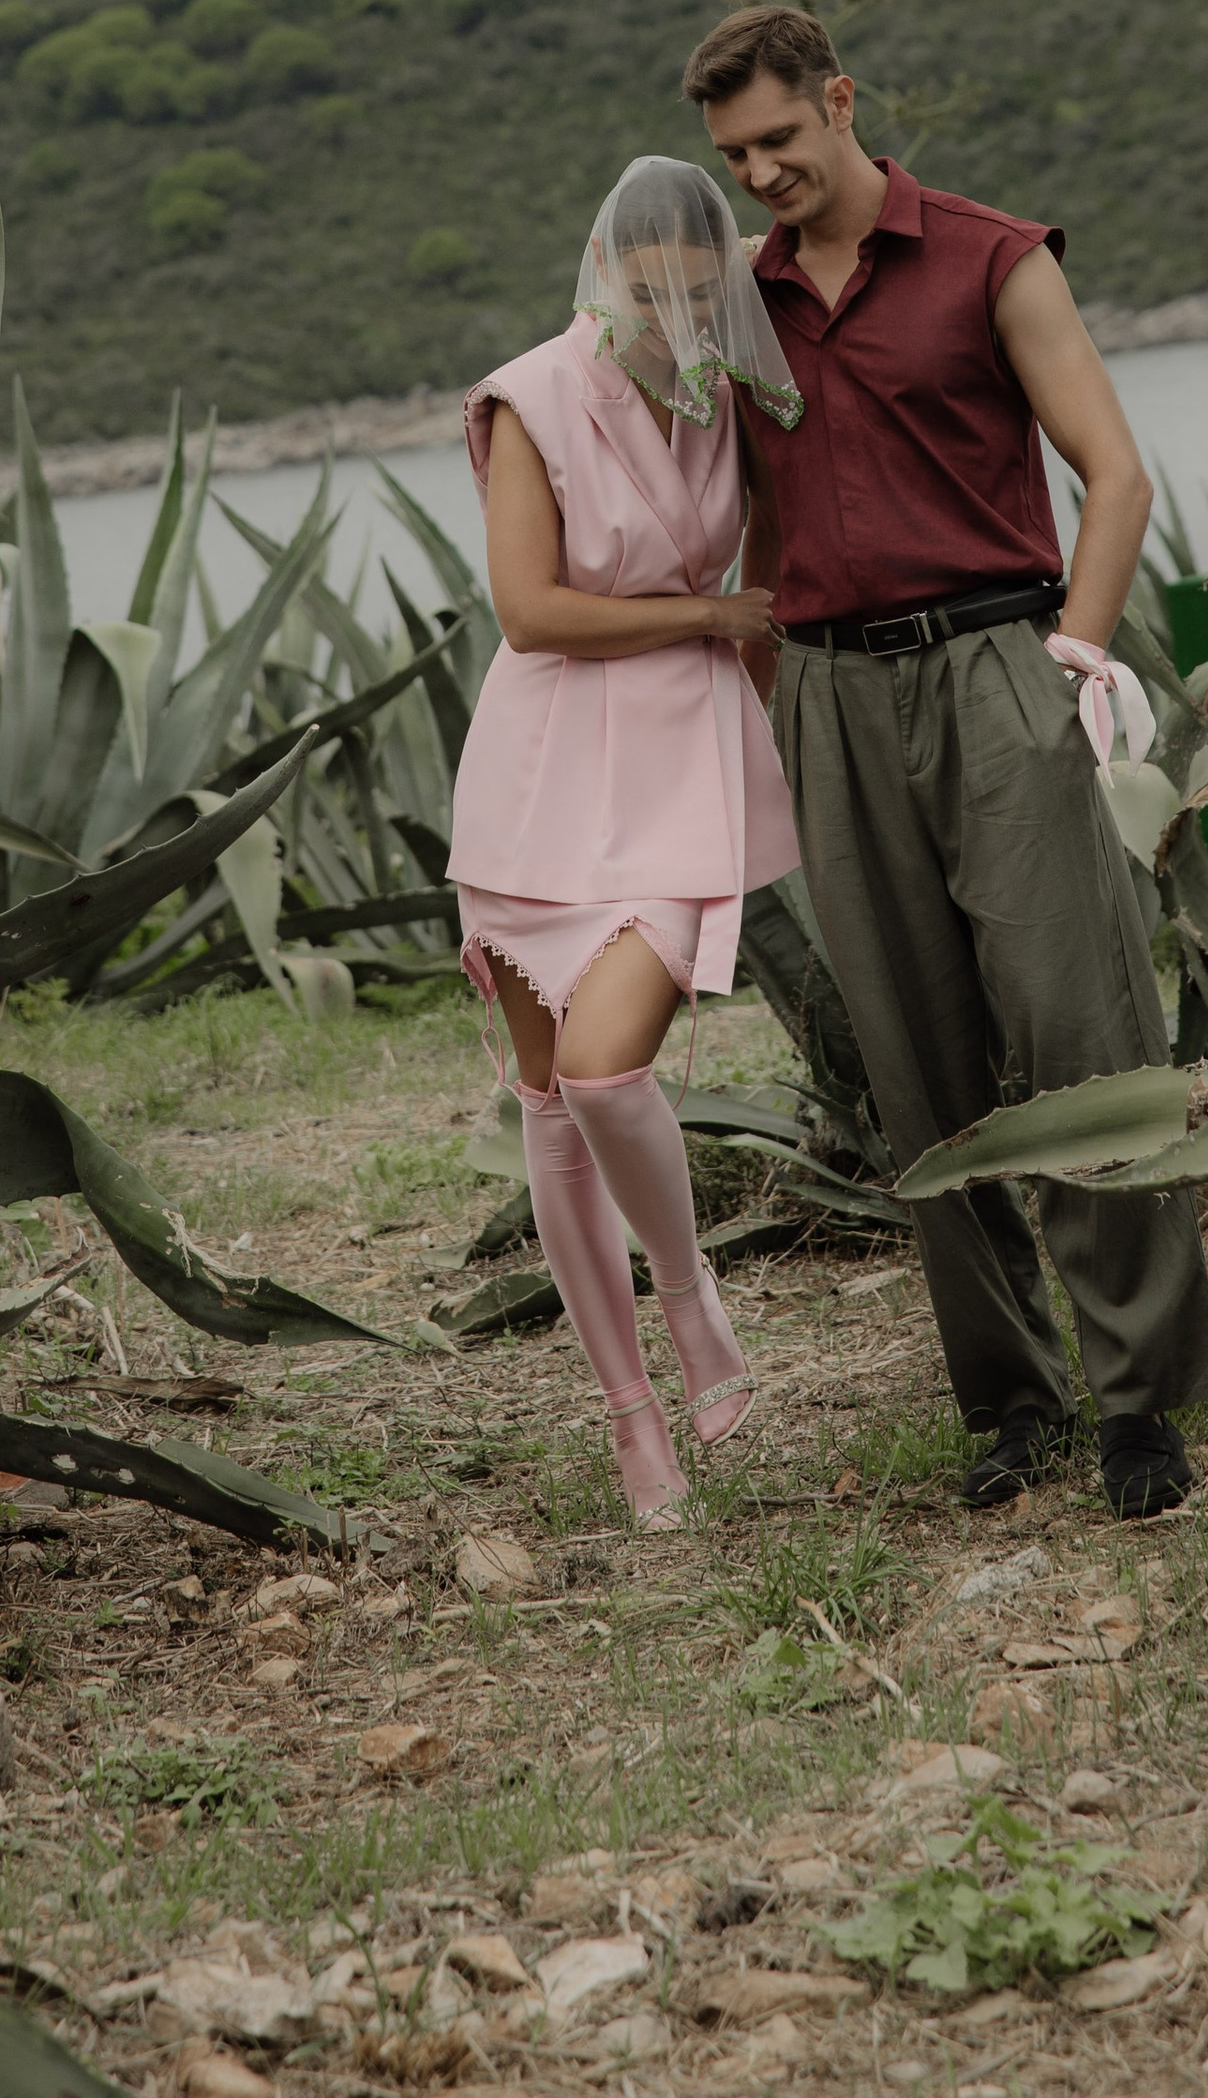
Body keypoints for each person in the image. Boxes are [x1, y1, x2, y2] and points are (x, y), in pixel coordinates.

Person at [682, 0, 1208, 1517]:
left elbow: (1113, 475)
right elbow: (753, 525)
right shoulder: (743, 305)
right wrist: (777, 687)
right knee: (919, 1066)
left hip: (1002, 665)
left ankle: (1144, 1406)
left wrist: (1079, 657)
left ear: (842, 101)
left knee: (1077, 1028)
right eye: (734, 158)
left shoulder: (994, 255)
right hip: (831, 695)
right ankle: (1011, 1406)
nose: (763, 173)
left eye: (780, 139)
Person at [448, 154, 804, 1530]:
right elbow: (531, 613)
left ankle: (693, 1298)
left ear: (723, 270)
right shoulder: (530, 395)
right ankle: (632, 1424)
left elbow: (774, 580)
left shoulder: (744, 398)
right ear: (610, 265)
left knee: (606, 1079)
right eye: (649, 277)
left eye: (697, 277)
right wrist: (715, 623)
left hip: (679, 770)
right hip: (540, 772)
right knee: (548, 1110)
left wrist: (768, 744)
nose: (673, 301)